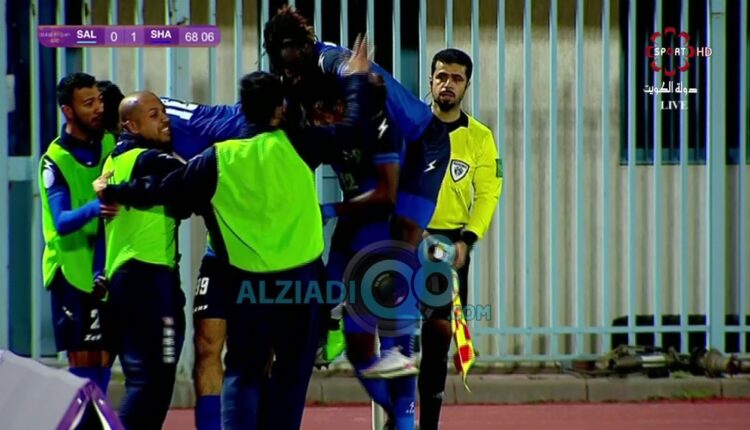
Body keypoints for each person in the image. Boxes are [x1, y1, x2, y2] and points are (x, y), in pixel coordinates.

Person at [94, 36, 372, 430]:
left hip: (248, 286)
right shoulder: (301, 143)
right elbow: (354, 129)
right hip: (301, 283)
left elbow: (160, 191)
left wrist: (113, 191)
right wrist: (356, 79)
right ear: (280, 110)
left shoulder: (217, 159)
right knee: (290, 376)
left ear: (243, 109)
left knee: (243, 370)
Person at [264, 8, 451, 430]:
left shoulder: (329, 60)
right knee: (350, 253)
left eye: (292, 62)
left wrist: (356, 73)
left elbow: (349, 69)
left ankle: (403, 339)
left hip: (423, 145)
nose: (288, 71)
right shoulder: (295, 85)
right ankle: (333, 325)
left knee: (402, 232)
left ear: (305, 48)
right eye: (282, 65)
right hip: (369, 171)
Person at [420, 49, 503, 430]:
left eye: (456, 78)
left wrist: (467, 241)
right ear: (431, 80)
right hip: (407, 238)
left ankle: (429, 424)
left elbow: (488, 193)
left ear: (467, 85)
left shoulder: (480, 138)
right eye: (441, 76)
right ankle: (396, 418)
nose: (447, 84)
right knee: (395, 338)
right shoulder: (413, 128)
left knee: (437, 341)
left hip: (450, 246)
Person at [99, 91, 188, 430]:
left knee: (145, 379)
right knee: (153, 380)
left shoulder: (113, 161)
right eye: (153, 114)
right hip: (148, 280)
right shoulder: (150, 159)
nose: (164, 118)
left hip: (126, 279)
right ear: (131, 125)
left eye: (163, 111)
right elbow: (188, 178)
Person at [39, 72, 117, 394]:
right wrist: (96, 208)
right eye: (88, 103)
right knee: (84, 362)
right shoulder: (55, 160)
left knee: (104, 359)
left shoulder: (111, 143)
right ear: (67, 111)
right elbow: (61, 221)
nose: (98, 108)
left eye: (99, 100)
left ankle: (97, 417)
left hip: (105, 269)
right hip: (71, 272)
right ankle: (85, 418)